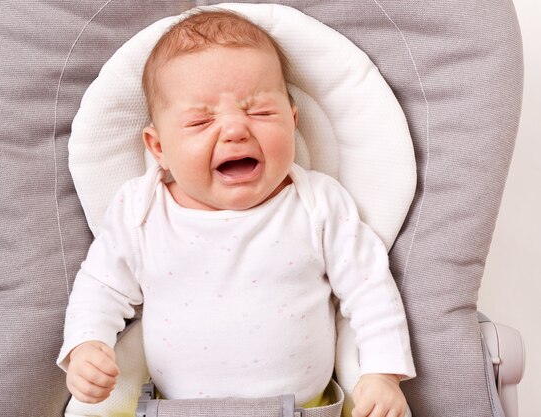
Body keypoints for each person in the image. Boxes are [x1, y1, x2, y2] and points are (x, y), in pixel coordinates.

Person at [58, 9, 416, 417]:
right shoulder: (141, 210)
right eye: (200, 121)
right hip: (173, 409)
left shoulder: (317, 203)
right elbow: (100, 289)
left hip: (304, 408)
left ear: (293, 122)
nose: (234, 129)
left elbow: (369, 287)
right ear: (159, 148)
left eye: (261, 112)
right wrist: (87, 345)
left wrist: (383, 373)